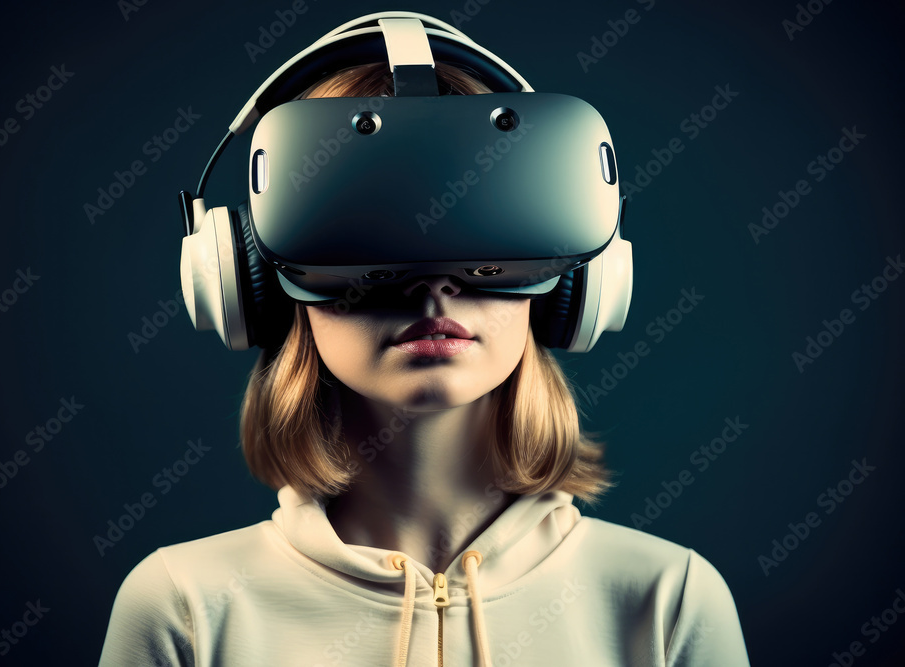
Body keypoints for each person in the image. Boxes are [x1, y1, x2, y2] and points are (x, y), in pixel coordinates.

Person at [99, 13, 751, 667]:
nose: (433, 288)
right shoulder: (183, 608)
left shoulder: (666, 602)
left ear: (568, 284)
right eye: (368, 243)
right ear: (254, 282)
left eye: (486, 245)